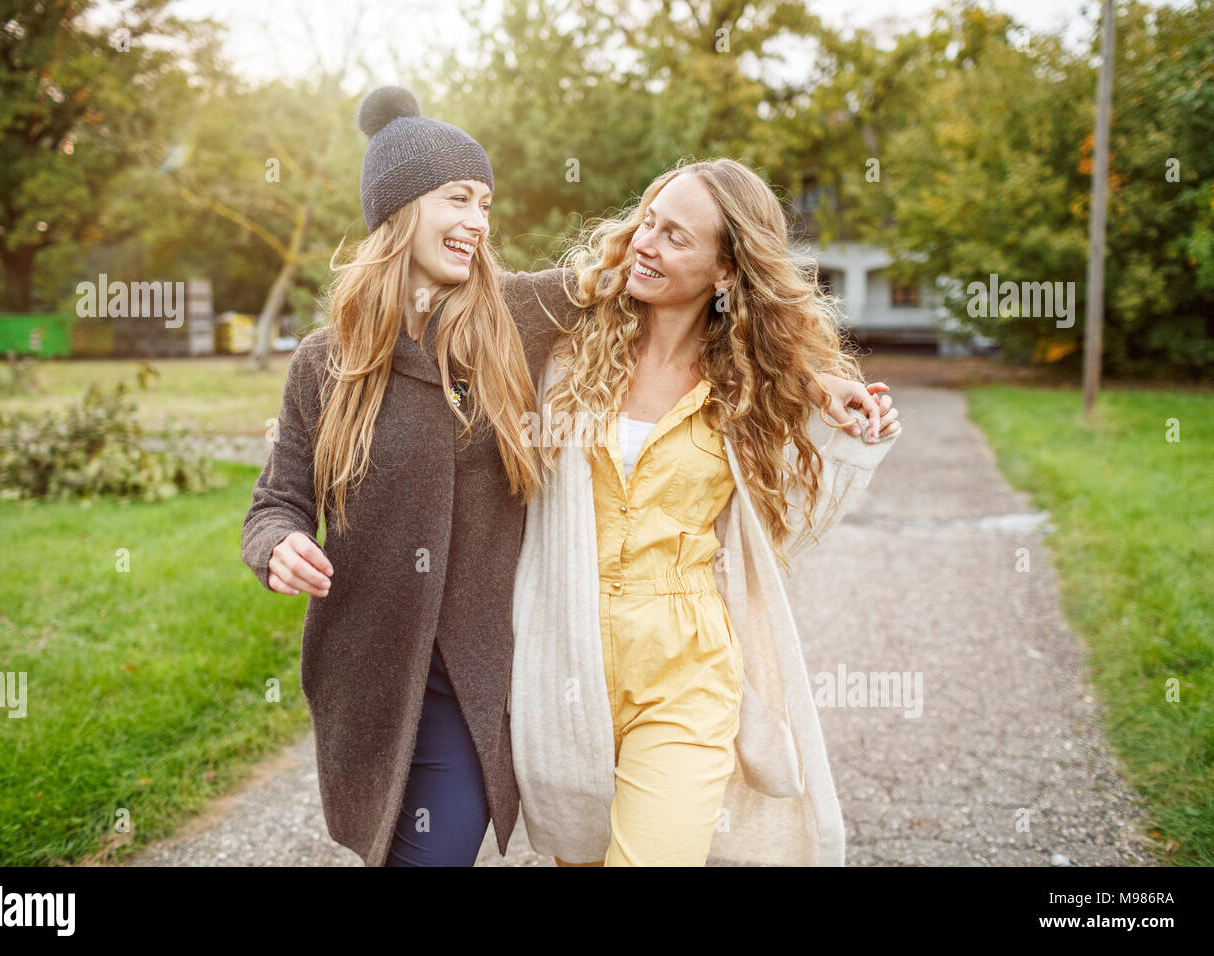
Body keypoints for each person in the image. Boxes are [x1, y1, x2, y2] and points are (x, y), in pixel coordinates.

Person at [509, 157, 902, 866]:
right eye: (648, 222)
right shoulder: (564, 349)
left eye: (676, 237)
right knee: (577, 854)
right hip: (565, 654)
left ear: (726, 271)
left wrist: (840, 422)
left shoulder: (750, 391)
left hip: (685, 667)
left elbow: (790, 523)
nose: (646, 245)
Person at [239, 86, 573, 866]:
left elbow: (649, 286)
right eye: (458, 197)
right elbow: (277, 500)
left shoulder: (515, 317)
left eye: (486, 202)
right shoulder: (328, 360)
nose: (479, 222)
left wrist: (816, 377)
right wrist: (279, 545)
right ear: (399, 211)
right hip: (367, 671)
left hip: (469, 675)